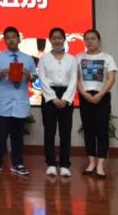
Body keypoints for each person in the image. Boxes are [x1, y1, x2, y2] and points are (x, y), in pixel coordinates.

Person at [0, 26, 37, 177]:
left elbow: (34, 78)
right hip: (3, 102)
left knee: (18, 136)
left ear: (19, 39)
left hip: (20, 102)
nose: (11, 40)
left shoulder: (28, 58)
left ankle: (17, 163)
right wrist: (1, 74)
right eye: (8, 38)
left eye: (13, 37)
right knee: (0, 136)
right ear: (4, 40)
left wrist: (29, 75)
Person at [77, 29, 118, 179]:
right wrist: (84, 94)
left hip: (102, 97)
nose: (90, 41)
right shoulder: (78, 57)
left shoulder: (107, 57)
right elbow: (76, 78)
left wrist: (100, 94)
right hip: (85, 96)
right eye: (87, 39)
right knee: (88, 130)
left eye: (93, 38)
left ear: (98, 40)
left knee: (102, 130)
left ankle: (100, 164)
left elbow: (111, 78)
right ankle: (91, 163)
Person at [38, 27, 78, 177]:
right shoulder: (44, 58)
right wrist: (53, 98)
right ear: (50, 40)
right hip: (49, 96)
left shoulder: (72, 59)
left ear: (64, 39)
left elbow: (74, 79)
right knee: (49, 131)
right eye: (54, 38)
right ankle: (51, 164)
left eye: (59, 37)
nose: (57, 40)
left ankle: (65, 164)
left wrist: (66, 99)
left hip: (66, 95)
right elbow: (42, 79)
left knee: (65, 132)